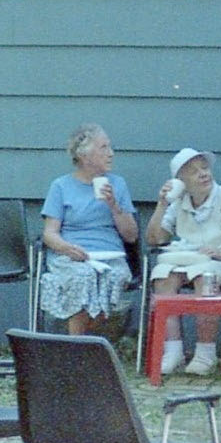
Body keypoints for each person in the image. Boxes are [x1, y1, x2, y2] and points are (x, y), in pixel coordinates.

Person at [145, 148, 221, 375]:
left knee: (205, 275)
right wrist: (162, 204)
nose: (203, 174)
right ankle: (173, 351)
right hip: (191, 260)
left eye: (205, 168)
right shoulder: (179, 202)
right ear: (180, 182)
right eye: (193, 171)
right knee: (162, 274)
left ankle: (205, 353)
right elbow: (155, 239)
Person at [39, 124, 138, 336]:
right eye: (104, 148)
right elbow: (49, 233)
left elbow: (131, 236)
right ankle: (77, 348)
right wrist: (66, 248)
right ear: (85, 156)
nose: (111, 153)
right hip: (72, 256)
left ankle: (83, 343)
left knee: (112, 277)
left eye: (110, 147)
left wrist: (114, 205)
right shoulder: (61, 186)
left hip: (110, 257)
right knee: (83, 277)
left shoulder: (118, 185)